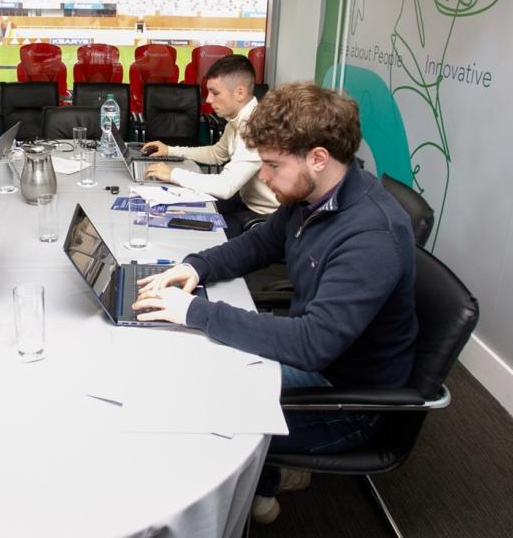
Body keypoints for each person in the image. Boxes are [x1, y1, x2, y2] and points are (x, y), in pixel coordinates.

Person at [132, 82, 418, 525]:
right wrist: (195, 268)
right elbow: (258, 244)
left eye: (272, 165)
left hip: (347, 400)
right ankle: (268, 479)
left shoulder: (372, 236)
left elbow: (311, 345)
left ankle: (257, 495)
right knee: (189, 364)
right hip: (320, 356)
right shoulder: (313, 195)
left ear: (318, 158)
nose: (263, 177)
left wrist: (196, 311)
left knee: (198, 409)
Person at [141, 55, 278, 236]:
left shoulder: (255, 127)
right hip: (244, 202)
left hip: (265, 217)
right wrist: (170, 150)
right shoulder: (238, 120)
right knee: (176, 210)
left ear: (240, 93)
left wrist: (172, 174)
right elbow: (216, 154)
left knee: (185, 230)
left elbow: (225, 186)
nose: (208, 100)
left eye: (215, 93)